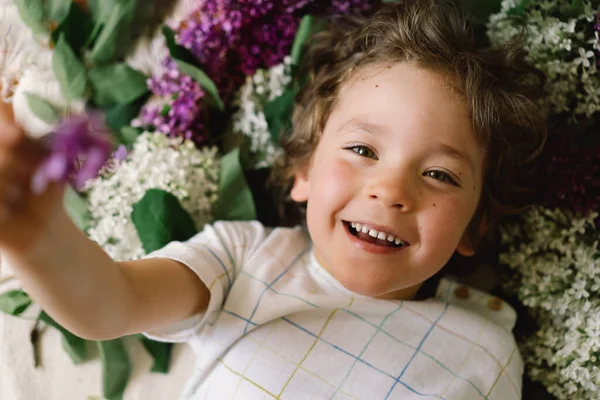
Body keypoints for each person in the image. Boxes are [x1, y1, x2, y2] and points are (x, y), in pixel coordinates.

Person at [0, 1, 546, 399]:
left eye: (440, 175)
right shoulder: (244, 260)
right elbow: (110, 304)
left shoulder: (483, 351)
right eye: (362, 149)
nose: (392, 190)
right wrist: (37, 235)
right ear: (303, 171)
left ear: (475, 225)